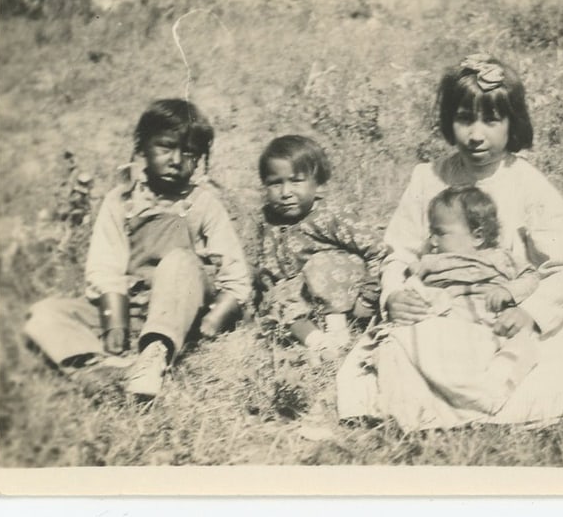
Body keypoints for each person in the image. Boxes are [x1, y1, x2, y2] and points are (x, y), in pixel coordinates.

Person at [336, 54, 563, 430]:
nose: (476, 134)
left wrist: (529, 313)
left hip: (501, 313)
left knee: (524, 368)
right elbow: (399, 252)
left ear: (512, 123)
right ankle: (427, 405)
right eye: (464, 119)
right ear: (449, 121)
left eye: (491, 120)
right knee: (398, 350)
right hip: (440, 308)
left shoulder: (528, 185)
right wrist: (393, 295)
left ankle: (477, 399)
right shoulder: (428, 178)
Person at [23, 99, 251, 398]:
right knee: (45, 312)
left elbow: (235, 275)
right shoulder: (121, 201)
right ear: (143, 147)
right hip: (132, 307)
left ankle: (155, 355)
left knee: (179, 260)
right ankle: (99, 368)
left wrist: (215, 318)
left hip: (181, 311)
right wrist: (114, 323)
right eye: (165, 147)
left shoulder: (203, 204)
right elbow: (105, 266)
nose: (176, 160)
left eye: (189, 153)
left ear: (199, 160)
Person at [379, 185, 542, 418]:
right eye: (431, 233)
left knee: (525, 344)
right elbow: (410, 277)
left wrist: (509, 290)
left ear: (477, 236)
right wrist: (413, 287)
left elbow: (531, 277)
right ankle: (417, 399)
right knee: (405, 342)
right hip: (449, 319)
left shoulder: (501, 258)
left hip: (490, 320)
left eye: (440, 233)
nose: (433, 240)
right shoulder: (431, 260)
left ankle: (492, 392)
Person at [255, 135, 388, 364]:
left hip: (345, 292)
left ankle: (338, 332)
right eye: (275, 183)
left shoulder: (330, 215)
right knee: (277, 298)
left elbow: (377, 249)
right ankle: (319, 343)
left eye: (296, 181)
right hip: (302, 297)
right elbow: (268, 265)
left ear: (317, 182)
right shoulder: (269, 219)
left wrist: (368, 298)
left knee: (320, 265)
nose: (285, 192)